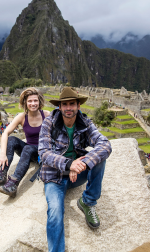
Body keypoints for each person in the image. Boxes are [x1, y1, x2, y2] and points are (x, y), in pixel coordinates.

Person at [38, 87, 112, 252]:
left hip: (76, 173)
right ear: (60, 107)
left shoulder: (84, 122)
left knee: (99, 159)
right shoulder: (49, 122)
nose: (68, 108)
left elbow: (105, 144)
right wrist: (68, 164)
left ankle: (87, 202)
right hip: (54, 176)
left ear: (78, 105)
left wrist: (82, 164)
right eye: (65, 104)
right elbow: (44, 153)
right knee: (55, 212)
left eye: (72, 104)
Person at [0, 87, 51, 197]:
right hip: (28, 150)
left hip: (42, 152)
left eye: (35, 100)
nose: (33, 103)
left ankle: (13, 184)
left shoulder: (47, 115)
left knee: (28, 148)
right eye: (30, 101)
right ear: (25, 102)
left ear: (40, 101)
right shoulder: (22, 117)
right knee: (12, 139)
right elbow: (5, 133)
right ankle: (1, 174)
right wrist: (2, 155)